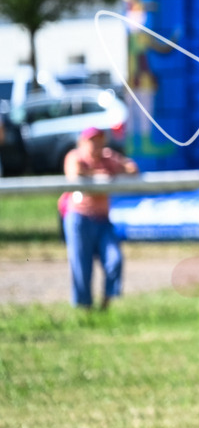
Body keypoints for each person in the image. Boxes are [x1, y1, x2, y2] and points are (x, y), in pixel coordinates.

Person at [63, 127, 138, 308]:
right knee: (81, 266)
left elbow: (132, 169)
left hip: (102, 219)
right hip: (79, 218)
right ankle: (84, 309)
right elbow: (75, 174)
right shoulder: (75, 156)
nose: (96, 145)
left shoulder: (108, 157)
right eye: (91, 140)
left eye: (99, 140)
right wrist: (100, 176)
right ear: (82, 142)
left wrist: (113, 171)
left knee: (114, 259)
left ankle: (106, 304)